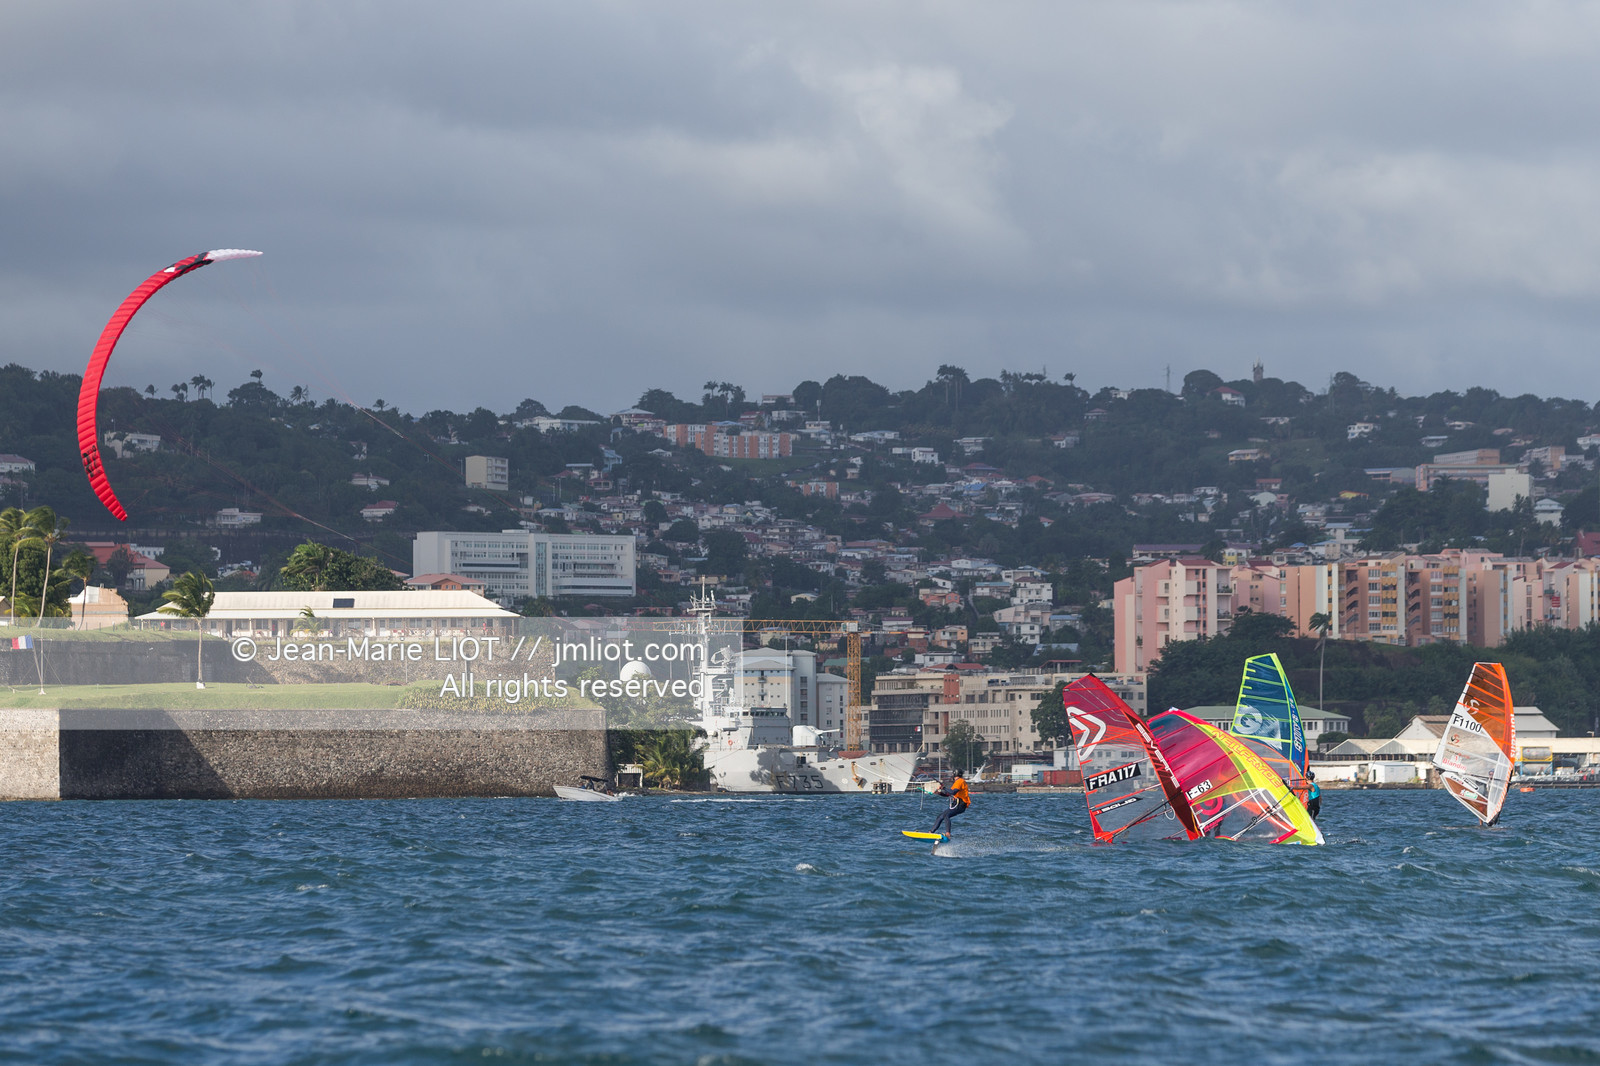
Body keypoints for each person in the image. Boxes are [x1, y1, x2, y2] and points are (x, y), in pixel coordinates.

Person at [930, 770, 971, 838]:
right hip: (958, 804)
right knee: (940, 816)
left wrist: (944, 788)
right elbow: (949, 794)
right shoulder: (957, 782)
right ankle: (931, 832)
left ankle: (948, 834)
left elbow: (953, 792)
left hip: (960, 804)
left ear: (954, 774)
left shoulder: (960, 781)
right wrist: (940, 793)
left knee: (946, 815)